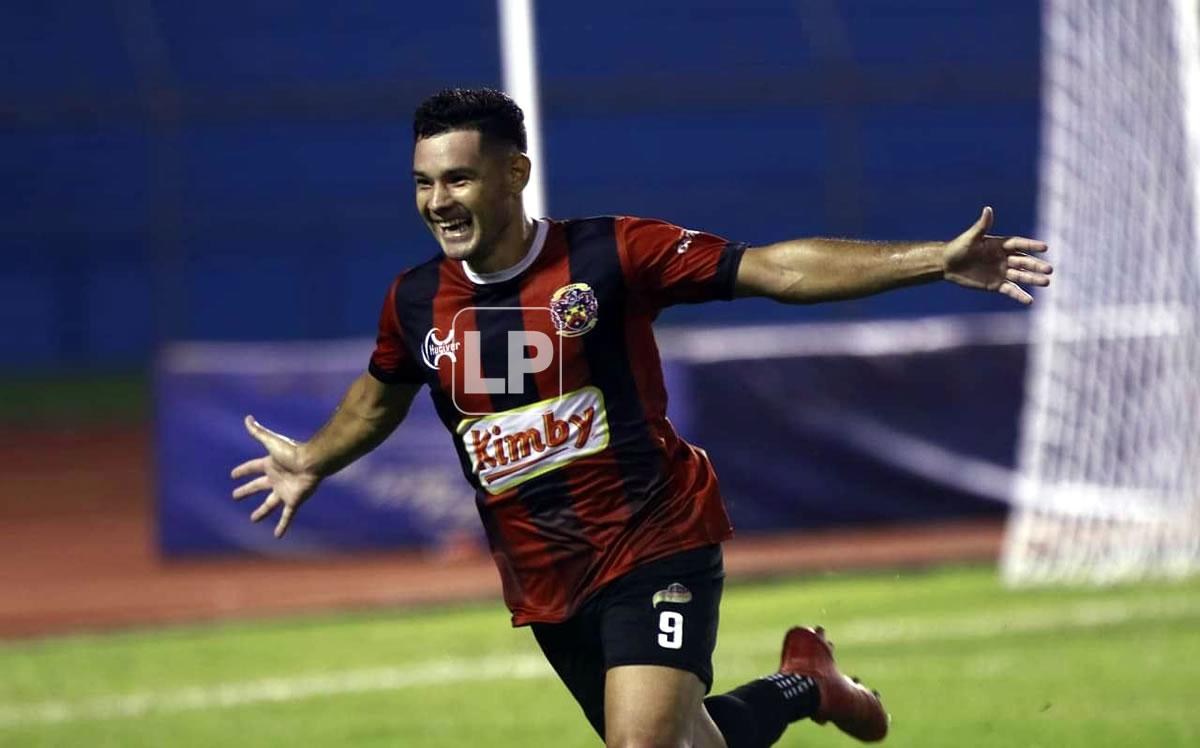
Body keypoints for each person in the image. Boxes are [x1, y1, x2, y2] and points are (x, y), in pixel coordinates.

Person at [230, 87, 1051, 747]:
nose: (438, 201)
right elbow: (379, 397)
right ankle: (807, 683)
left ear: (514, 175)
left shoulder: (609, 254)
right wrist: (312, 460)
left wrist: (932, 262)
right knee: (688, 742)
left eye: (458, 179)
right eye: (424, 182)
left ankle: (805, 683)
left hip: (653, 537)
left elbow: (775, 271)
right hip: (544, 577)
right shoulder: (415, 301)